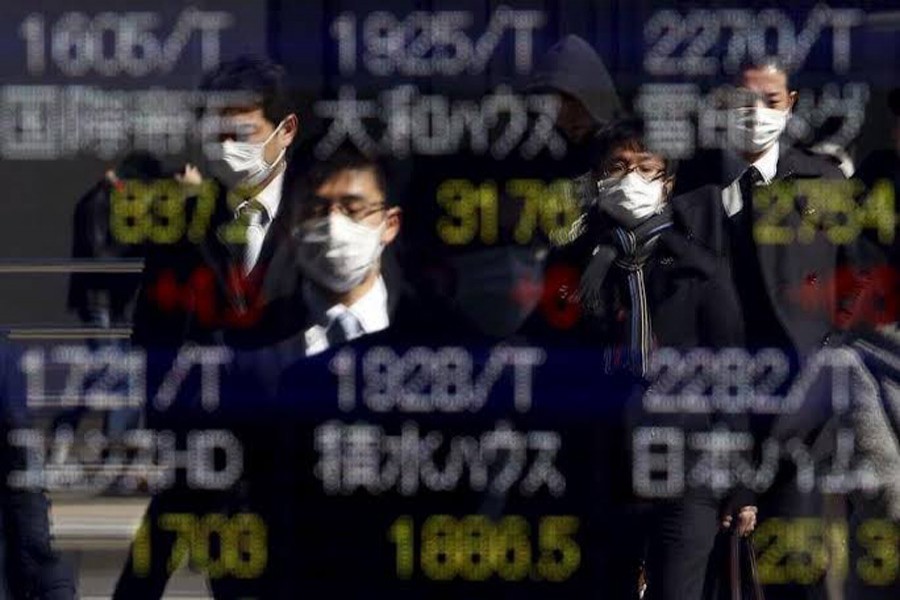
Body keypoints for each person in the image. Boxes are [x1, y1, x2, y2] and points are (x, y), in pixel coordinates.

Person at [527, 119, 755, 599]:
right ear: (599, 177)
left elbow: (731, 376)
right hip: (602, 466)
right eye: (619, 167)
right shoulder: (572, 264)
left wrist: (739, 483)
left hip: (686, 468)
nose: (631, 180)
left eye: (646, 168)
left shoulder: (699, 269)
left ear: (667, 182)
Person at [114, 55, 302, 600]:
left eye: (241, 131)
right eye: (215, 132)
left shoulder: (325, 214)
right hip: (200, 446)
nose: (226, 146)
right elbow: (151, 327)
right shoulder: (184, 223)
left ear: (285, 130)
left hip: (291, 452)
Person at [0, 337, 76, 599]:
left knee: (28, 551)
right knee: (34, 549)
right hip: (20, 448)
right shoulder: (10, 353)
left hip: (15, 446)